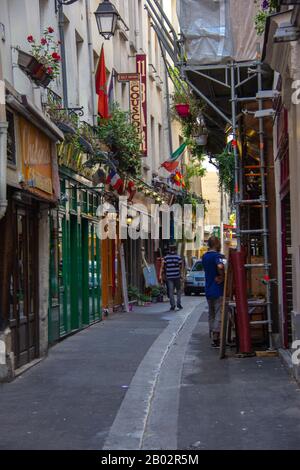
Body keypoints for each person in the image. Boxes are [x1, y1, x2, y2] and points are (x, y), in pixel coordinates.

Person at [202, 236, 225, 348]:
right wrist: (222, 276)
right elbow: (220, 266)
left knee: (211, 313)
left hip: (208, 288)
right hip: (218, 289)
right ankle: (216, 337)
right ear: (217, 244)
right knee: (218, 313)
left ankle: (212, 334)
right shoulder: (218, 256)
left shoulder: (204, 256)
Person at [160, 244, 183, 311]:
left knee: (171, 291)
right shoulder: (178, 257)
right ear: (175, 250)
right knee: (178, 290)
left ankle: (172, 305)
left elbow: (163, 267)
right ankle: (178, 303)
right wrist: (181, 275)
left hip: (169, 277)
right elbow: (180, 267)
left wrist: (162, 275)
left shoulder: (166, 257)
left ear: (170, 250)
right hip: (177, 276)